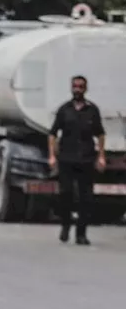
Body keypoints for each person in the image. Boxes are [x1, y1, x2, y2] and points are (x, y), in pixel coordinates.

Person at [49, 75, 106, 245]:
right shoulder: (64, 110)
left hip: (86, 159)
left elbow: (100, 133)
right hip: (66, 158)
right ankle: (66, 225)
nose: (77, 90)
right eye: (75, 86)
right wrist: (52, 155)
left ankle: (81, 233)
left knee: (85, 198)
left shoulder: (92, 110)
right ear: (71, 88)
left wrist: (101, 155)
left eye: (81, 87)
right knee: (65, 194)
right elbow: (53, 133)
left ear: (85, 89)